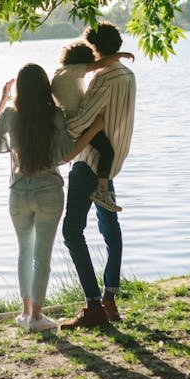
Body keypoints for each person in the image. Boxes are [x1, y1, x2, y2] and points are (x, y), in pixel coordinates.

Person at [0, 63, 105, 332]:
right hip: (48, 191)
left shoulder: (10, 114)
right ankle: (37, 317)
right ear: (45, 87)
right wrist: (94, 129)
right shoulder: (55, 116)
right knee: (41, 254)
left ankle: (26, 313)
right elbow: (66, 154)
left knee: (24, 252)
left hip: (18, 192)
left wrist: (3, 98)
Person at [60, 22, 137, 329]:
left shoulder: (104, 78)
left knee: (71, 231)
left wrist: (59, 125)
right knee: (110, 229)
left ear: (95, 49)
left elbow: (80, 122)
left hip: (87, 163)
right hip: (110, 163)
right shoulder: (128, 76)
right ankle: (110, 300)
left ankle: (93, 306)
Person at [52, 41, 135, 213]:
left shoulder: (61, 74)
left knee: (102, 149)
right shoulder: (72, 71)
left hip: (73, 122)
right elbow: (99, 64)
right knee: (107, 151)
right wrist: (120, 56)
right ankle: (102, 191)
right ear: (81, 63)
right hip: (79, 124)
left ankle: (102, 190)